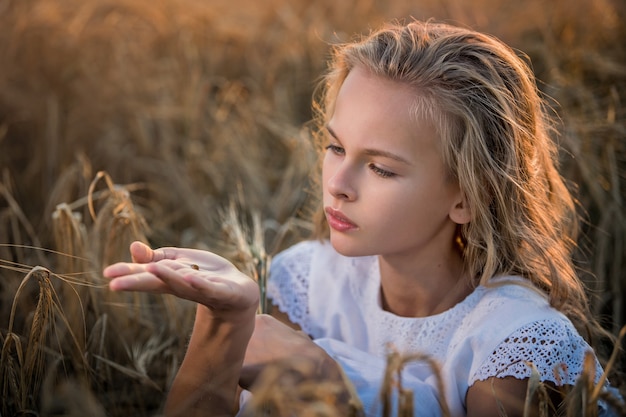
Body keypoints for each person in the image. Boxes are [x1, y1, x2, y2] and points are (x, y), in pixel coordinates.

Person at [103, 19, 620, 417]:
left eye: (380, 167)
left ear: (466, 197)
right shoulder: (308, 284)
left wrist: (336, 388)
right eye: (334, 146)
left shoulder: (514, 345)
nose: (337, 183)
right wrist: (223, 327)